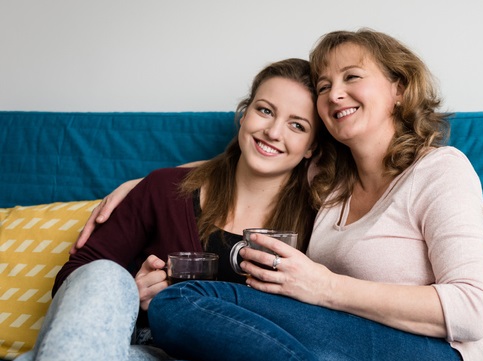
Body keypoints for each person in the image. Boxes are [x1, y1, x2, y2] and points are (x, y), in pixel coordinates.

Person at [77, 29, 483, 361]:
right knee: (171, 306)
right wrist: (149, 183)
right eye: (325, 85)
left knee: (180, 301)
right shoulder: (331, 184)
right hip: (330, 343)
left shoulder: (441, 170)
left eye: (352, 77)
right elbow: (267, 150)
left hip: (433, 352)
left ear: (399, 88)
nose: (334, 94)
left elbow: (473, 309)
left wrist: (326, 288)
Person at [16, 58, 332, 361]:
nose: (274, 132)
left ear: (312, 148)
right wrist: (130, 296)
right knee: (107, 276)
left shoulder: (321, 220)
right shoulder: (163, 189)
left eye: (297, 126)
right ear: (244, 113)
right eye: (265, 110)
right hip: (141, 350)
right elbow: (73, 279)